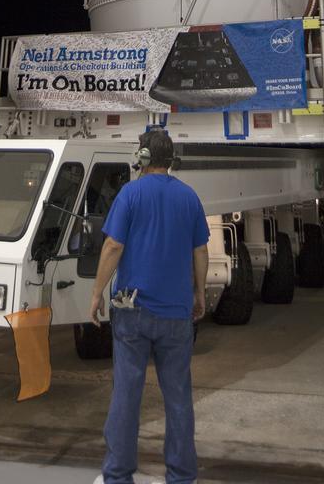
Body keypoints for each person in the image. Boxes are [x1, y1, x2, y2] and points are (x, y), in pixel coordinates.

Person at [90, 129, 210, 484]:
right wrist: (200, 293)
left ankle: (118, 476)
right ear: (170, 160)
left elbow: (113, 246)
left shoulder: (130, 194)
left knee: (126, 395)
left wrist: (96, 292)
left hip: (133, 314)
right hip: (177, 315)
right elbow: (200, 251)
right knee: (178, 398)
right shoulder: (189, 197)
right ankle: (182, 476)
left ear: (142, 157)